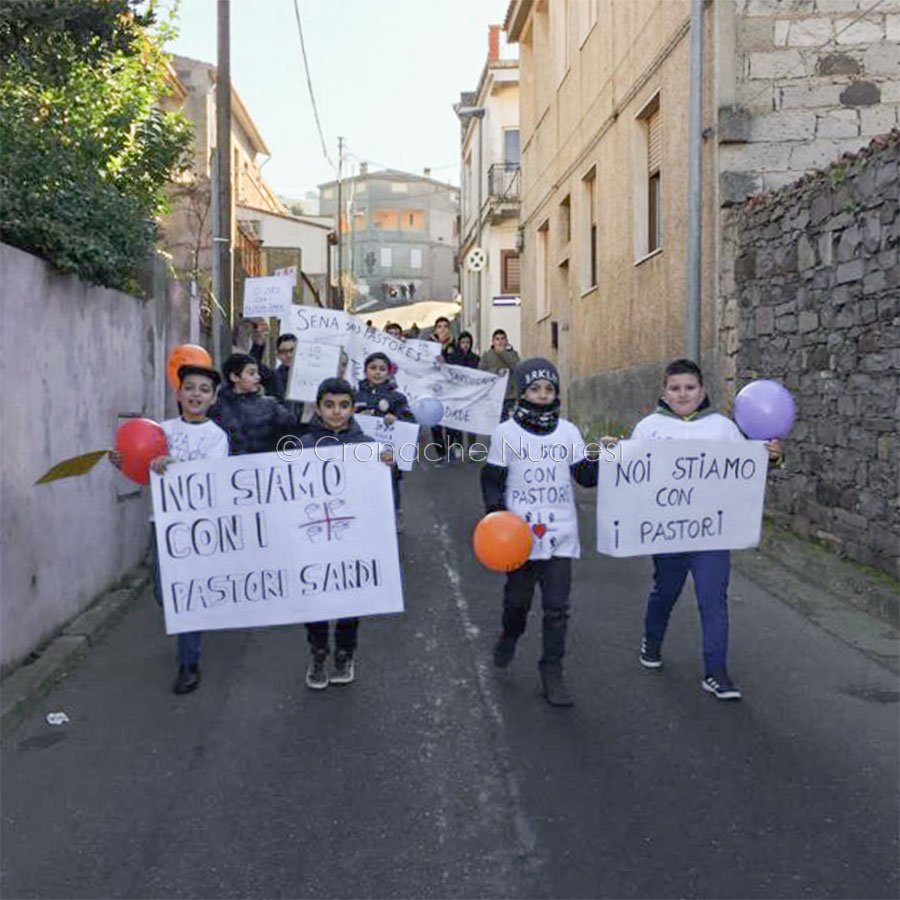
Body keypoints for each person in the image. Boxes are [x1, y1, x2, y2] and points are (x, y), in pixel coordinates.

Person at [630, 358, 784, 701]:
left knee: (712, 600)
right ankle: (651, 641)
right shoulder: (648, 428)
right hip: (668, 531)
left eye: (690, 388)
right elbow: (633, 476)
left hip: (712, 532)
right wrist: (614, 456)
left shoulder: (722, 428)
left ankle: (716, 672)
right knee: (665, 592)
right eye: (675, 388)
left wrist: (770, 457)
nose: (683, 394)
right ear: (664, 393)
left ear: (703, 391)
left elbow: (745, 470)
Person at [480, 358, 599, 707]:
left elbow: (585, 477)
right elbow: (492, 479)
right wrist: (495, 516)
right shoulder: (506, 433)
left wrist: (610, 457)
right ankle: (509, 634)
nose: (543, 395)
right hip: (518, 537)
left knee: (557, 608)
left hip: (560, 534)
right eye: (535, 389)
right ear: (522, 392)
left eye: (549, 389)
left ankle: (552, 671)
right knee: (517, 603)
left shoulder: (569, 432)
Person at [109, 365, 229, 695]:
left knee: (186, 597)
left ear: (213, 398)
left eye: (204, 390)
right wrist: (124, 462)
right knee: (165, 595)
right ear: (179, 394)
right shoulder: (160, 430)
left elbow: (211, 479)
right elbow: (142, 472)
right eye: (189, 387)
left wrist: (174, 466)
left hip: (196, 528)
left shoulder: (217, 437)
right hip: (161, 524)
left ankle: (188, 664)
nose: (195, 394)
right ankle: (194, 625)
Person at [299, 378, 391, 690]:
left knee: (351, 598)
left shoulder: (365, 445)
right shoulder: (303, 444)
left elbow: (381, 493)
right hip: (316, 539)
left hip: (354, 538)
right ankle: (318, 650)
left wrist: (386, 466)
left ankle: (344, 652)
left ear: (353, 408)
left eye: (343, 405)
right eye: (329, 405)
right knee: (316, 598)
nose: (336, 412)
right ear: (318, 407)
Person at [355, 352, 415, 532]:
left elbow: (410, 422)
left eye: (382, 369)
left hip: (389, 452)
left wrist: (396, 418)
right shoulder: (355, 396)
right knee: (364, 483)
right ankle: (365, 515)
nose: (377, 372)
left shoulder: (397, 398)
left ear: (389, 373)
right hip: (362, 451)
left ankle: (395, 514)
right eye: (373, 368)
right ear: (365, 371)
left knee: (391, 482)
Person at [209, 352, 298, 454]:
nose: (258, 377)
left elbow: (292, 429)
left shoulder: (270, 406)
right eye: (251, 373)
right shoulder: (216, 407)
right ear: (234, 377)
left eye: (257, 373)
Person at [479, 329, 521, 420]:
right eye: (497, 339)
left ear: (506, 341)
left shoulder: (513, 354)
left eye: (502, 339)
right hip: (493, 395)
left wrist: (503, 353)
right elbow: (481, 373)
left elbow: (517, 366)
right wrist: (496, 371)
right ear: (493, 341)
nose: (500, 341)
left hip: (509, 396)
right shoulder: (487, 356)